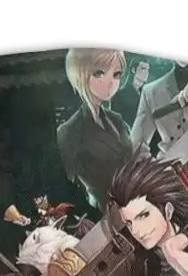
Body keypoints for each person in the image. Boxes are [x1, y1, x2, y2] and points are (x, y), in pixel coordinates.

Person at [56, 48, 134, 210]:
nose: (111, 82)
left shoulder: (116, 120)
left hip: (135, 202)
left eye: (116, 74)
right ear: (81, 75)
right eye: (99, 73)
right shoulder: (69, 131)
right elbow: (65, 188)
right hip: (102, 212)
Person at [110, 57, 150, 126]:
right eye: (143, 69)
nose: (146, 73)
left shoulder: (148, 96)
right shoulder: (120, 95)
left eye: (148, 70)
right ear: (133, 70)